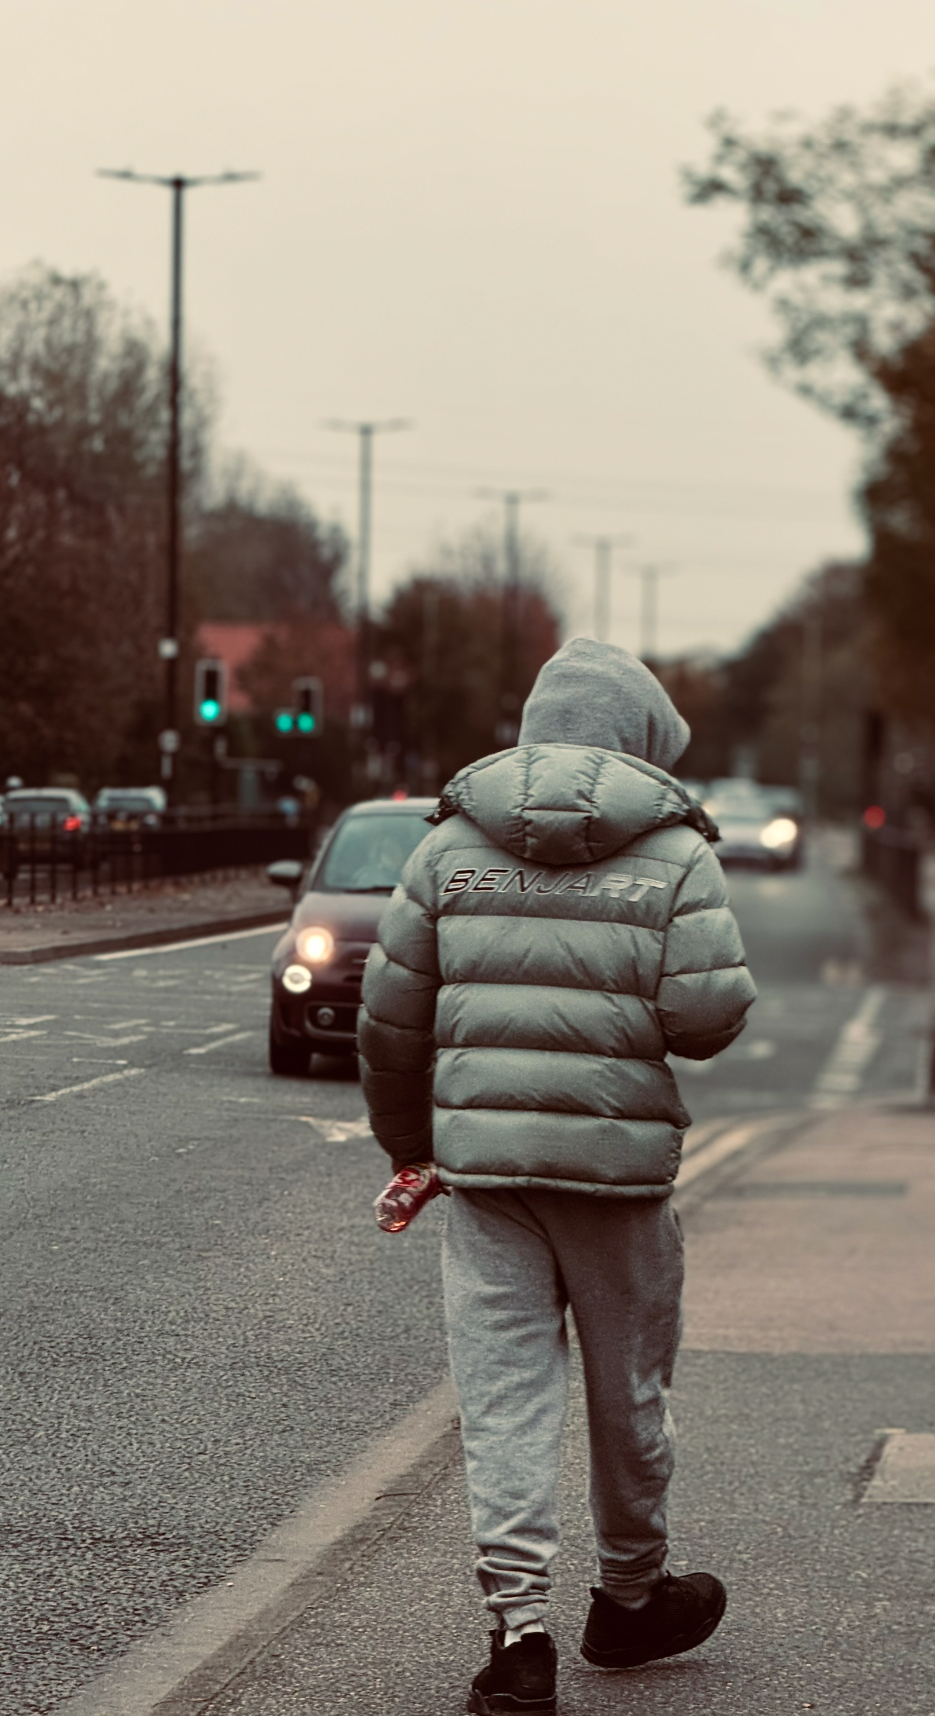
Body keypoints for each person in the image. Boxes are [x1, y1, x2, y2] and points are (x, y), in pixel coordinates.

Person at [358, 639, 756, 1715]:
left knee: (501, 1398)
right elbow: (705, 1017)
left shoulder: (449, 845)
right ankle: (629, 1597)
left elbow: (391, 1021)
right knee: (628, 1392)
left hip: (487, 1176)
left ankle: (517, 1633)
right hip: (618, 1179)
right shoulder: (677, 851)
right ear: (637, 738)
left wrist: (412, 1144)